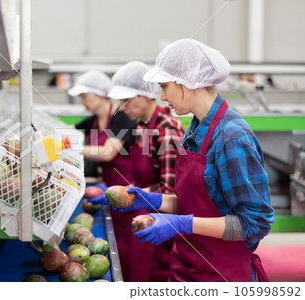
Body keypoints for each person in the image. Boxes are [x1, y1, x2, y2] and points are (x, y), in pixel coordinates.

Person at [119, 39, 275, 282]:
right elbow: (196, 204)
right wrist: (155, 199)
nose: (161, 97)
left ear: (187, 80)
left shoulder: (231, 137)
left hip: (220, 275)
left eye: (165, 86)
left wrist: (182, 225)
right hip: (186, 268)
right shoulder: (195, 130)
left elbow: (253, 223)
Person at [69, 71, 151, 282]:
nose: (83, 101)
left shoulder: (122, 118)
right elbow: (69, 131)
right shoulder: (95, 120)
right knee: (119, 249)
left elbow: (108, 152)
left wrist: (70, 148)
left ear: (99, 95)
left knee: (135, 253)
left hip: (131, 193)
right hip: (110, 195)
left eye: (85, 96)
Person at [106, 61, 184, 281]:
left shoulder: (166, 129)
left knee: (156, 276)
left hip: (165, 223)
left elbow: (170, 190)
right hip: (147, 215)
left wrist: (132, 195)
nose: (121, 106)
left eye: (125, 99)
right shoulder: (142, 125)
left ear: (144, 95)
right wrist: (128, 190)